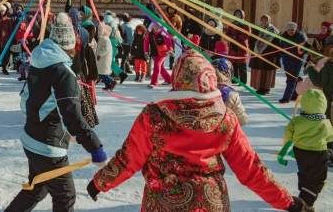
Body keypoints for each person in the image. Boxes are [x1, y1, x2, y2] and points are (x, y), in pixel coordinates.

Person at [87, 49, 307, 212]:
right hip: (211, 204)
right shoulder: (226, 119)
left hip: (162, 204)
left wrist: (99, 183)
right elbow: (251, 169)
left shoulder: (153, 115)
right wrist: (287, 201)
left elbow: (129, 159)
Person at [4, 13, 107, 212]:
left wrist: (32, 117)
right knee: (65, 196)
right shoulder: (63, 73)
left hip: (31, 138)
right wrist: (95, 147)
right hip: (47, 148)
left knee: (37, 188)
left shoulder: (39, 61)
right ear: (70, 45)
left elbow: (25, 96)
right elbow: (72, 116)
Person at [285, 89, 333, 209]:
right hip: (318, 152)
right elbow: (330, 137)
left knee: (304, 171)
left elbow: (289, 132)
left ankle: (303, 191)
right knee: (317, 178)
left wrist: (296, 139)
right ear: (323, 105)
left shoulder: (297, 120)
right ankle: (305, 203)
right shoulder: (325, 123)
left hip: (300, 150)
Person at [249, 14, 281, 95]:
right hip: (258, 53)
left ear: (269, 21)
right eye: (262, 20)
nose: (264, 22)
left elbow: (277, 43)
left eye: (265, 20)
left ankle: (266, 88)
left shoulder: (273, 31)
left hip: (269, 54)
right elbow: (251, 39)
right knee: (259, 71)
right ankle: (259, 87)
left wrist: (276, 54)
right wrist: (252, 49)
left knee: (267, 71)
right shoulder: (256, 29)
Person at [211, 58, 248, 126]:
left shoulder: (205, 90)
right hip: (228, 133)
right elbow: (242, 119)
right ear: (229, 72)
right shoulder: (232, 95)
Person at [280, 22, 308, 103]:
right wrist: (284, 56)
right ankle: (295, 93)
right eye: (289, 30)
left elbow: (302, 50)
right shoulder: (283, 37)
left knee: (290, 79)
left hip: (296, 61)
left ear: (295, 29)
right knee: (291, 78)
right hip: (286, 61)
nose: (290, 31)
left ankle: (286, 98)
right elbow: (280, 49)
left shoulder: (301, 37)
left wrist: (291, 55)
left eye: (292, 29)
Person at [144, 23, 174, 89]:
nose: (157, 29)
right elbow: (146, 42)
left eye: (159, 27)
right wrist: (146, 52)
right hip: (155, 52)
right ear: (153, 26)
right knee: (160, 67)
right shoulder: (150, 33)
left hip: (163, 53)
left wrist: (170, 50)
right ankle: (169, 80)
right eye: (156, 27)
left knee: (157, 65)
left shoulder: (163, 34)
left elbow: (168, 42)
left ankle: (154, 83)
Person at [225, 9, 251, 85]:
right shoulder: (232, 24)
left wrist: (238, 36)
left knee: (242, 65)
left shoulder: (246, 25)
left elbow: (247, 35)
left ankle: (243, 81)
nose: (237, 16)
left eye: (239, 15)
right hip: (233, 47)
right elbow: (227, 34)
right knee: (234, 64)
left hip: (242, 47)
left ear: (242, 16)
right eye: (236, 15)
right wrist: (232, 37)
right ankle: (235, 79)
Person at [96, 24, 116, 91]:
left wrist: (100, 55)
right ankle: (108, 85)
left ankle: (111, 82)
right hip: (102, 59)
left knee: (103, 74)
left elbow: (106, 49)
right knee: (102, 73)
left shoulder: (105, 39)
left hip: (104, 59)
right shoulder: (103, 38)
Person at [166, 5, 183, 70]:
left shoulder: (177, 17)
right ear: (168, 9)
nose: (171, 10)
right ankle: (162, 63)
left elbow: (179, 26)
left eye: (172, 9)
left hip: (173, 36)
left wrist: (177, 32)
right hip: (165, 35)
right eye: (170, 9)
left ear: (175, 10)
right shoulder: (165, 15)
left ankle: (171, 64)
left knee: (172, 50)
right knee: (164, 49)